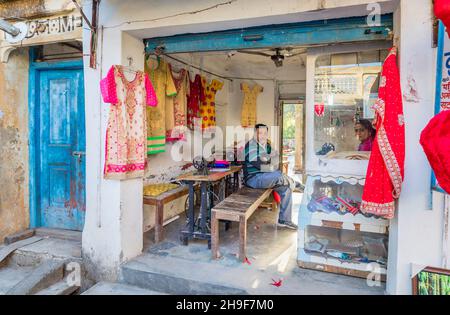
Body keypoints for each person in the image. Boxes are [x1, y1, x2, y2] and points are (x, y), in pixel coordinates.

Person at [243, 123, 299, 230]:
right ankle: (295, 183)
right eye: (260, 133)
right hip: (253, 179)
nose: (262, 136)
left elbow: (275, 161)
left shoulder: (267, 146)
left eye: (265, 133)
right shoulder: (250, 146)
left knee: (286, 188)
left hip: (265, 176)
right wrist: (269, 164)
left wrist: (269, 163)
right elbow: (259, 165)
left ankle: (284, 220)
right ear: (255, 133)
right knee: (278, 175)